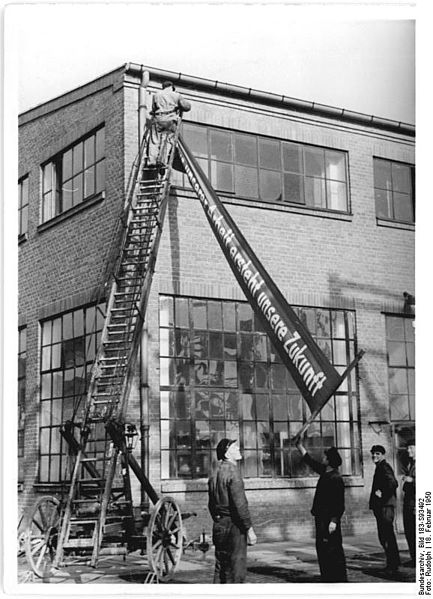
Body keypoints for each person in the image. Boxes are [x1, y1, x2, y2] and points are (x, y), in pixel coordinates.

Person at [295, 434, 347, 582]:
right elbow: (310, 462)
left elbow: (339, 503)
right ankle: (328, 576)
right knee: (323, 548)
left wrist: (334, 521)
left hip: (329, 521)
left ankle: (337, 578)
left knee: (333, 549)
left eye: (325, 457)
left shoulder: (335, 478)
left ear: (330, 460)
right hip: (322, 518)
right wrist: (300, 447)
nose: (323, 459)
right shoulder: (326, 472)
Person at [208, 438, 257, 583]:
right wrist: (249, 529)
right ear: (227, 454)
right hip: (234, 526)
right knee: (237, 570)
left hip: (219, 524)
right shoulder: (233, 473)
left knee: (221, 568)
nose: (238, 449)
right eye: (234, 448)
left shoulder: (214, 473)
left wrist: (218, 519)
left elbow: (211, 504)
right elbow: (240, 505)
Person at [369, 444, 400, 575]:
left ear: (383, 455)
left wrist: (383, 494)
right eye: (373, 453)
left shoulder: (384, 467)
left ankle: (392, 565)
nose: (374, 456)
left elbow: (393, 483)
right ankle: (393, 562)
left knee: (386, 535)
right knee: (385, 535)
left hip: (385, 506)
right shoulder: (380, 467)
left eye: (378, 454)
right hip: (382, 506)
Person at [147, 80, 191, 167]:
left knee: (154, 140)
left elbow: (154, 109)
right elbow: (186, 107)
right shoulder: (176, 95)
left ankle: (151, 161)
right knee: (167, 140)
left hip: (158, 120)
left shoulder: (156, 95)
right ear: (171, 87)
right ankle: (162, 161)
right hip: (169, 121)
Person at [402, 439, 416, 566]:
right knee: (409, 532)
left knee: (417, 532)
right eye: (408, 448)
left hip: (417, 504)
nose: (408, 450)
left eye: (411, 448)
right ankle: (414, 558)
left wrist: (412, 480)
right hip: (408, 502)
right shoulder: (410, 464)